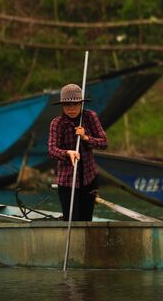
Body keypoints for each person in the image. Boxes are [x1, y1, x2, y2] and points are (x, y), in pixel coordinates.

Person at [48, 83, 108, 221]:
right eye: (67, 105)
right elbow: (52, 150)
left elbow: (104, 143)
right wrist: (67, 153)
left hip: (89, 179)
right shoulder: (57, 123)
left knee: (86, 219)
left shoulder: (89, 117)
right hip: (67, 181)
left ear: (81, 104)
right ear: (62, 106)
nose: (71, 108)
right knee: (71, 220)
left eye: (75, 104)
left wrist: (86, 137)